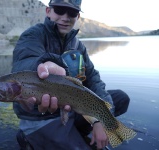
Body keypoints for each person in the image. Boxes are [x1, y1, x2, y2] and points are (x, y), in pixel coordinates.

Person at [11, 0, 130, 149]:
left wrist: (101, 120)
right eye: (60, 10)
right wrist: (41, 66)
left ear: (78, 16)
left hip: (70, 109)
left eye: (72, 13)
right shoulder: (32, 36)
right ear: (48, 11)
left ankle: (77, 131)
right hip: (41, 117)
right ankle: (30, 137)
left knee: (120, 98)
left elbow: (93, 80)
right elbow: (23, 63)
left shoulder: (77, 45)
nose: (65, 17)